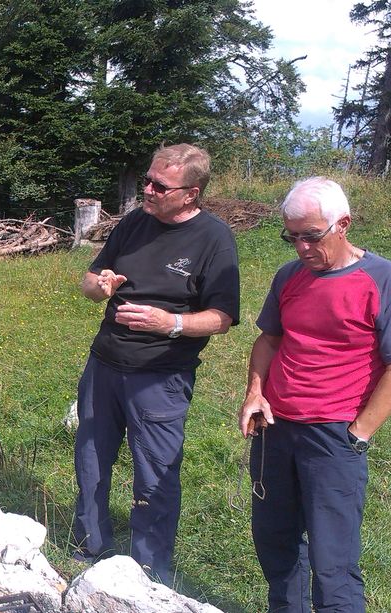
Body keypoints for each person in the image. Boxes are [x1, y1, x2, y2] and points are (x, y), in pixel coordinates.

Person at [238, 177, 391, 612]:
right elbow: (269, 340)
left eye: (310, 236)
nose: (301, 248)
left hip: (334, 436)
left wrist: (358, 434)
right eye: (291, 237)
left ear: (343, 224)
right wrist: (254, 393)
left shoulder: (386, 280)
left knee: (332, 560)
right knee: (275, 543)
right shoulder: (289, 276)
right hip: (275, 429)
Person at [72, 143, 240, 582]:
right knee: (90, 459)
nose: (147, 189)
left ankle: (149, 571)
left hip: (161, 377)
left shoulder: (214, 239)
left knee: (155, 474)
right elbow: (90, 281)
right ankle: (88, 545)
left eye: (159, 186)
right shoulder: (134, 223)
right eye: (148, 180)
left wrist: (171, 323)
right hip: (105, 364)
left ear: (191, 193)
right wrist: (99, 286)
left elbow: (222, 318)